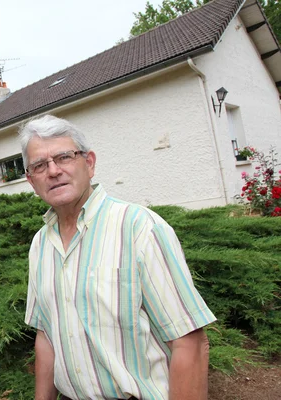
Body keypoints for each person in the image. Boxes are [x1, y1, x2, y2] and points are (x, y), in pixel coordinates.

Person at [19, 115, 216, 400]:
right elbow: (46, 338)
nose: (53, 171)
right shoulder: (40, 244)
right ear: (31, 180)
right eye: (39, 165)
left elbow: (189, 342)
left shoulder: (139, 228)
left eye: (64, 157)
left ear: (90, 163)